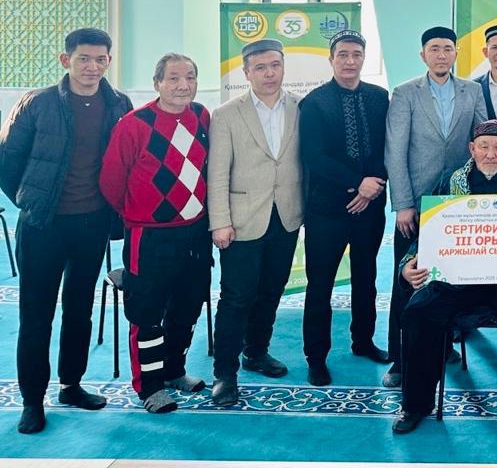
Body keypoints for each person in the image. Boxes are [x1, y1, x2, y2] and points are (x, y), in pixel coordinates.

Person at [0, 28, 133, 434]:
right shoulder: (37, 103)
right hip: (43, 225)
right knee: (36, 315)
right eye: (83, 59)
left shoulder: (119, 104)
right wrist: (31, 201)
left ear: (109, 61)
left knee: (79, 309)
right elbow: (8, 161)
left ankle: (71, 385)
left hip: (92, 224)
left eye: (100, 59)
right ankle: (32, 402)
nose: (92, 67)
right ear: (66, 61)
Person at [393, 120, 497, 440]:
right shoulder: (450, 181)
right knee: (419, 311)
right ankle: (416, 404)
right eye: (484, 146)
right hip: (456, 278)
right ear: (472, 149)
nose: (491, 154)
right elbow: (428, 234)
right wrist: (409, 264)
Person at [99, 53, 211, 414]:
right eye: (173, 78)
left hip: (195, 233)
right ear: (157, 83)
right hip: (149, 237)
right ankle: (149, 386)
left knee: (187, 306)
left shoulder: (202, 116)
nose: (183, 85)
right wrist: (139, 214)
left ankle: (174, 370)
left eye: (190, 77)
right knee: (146, 312)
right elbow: (111, 181)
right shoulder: (134, 124)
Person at [383, 25, 487, 387]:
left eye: (447, 48)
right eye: (434, 49)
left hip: (457, 202)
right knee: (407, 279)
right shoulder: (405, 93)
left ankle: (442, 346)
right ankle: (400, 360)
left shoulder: (472, 90)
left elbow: (483, 140)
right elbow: (395, 151)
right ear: (423, 55)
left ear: (456, 53)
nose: (441, 55)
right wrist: (403, 204)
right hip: (416, 202)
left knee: (448, 276)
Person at [207, 38, 303, 406]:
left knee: (271, 291)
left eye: (275, 65)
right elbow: (217, 173)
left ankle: (256, 352)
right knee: (236, 297)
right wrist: (220, 221)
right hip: (242, 219)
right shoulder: (227, 114)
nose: (269, 73)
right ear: (247, 73)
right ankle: (224, 373)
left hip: (286, 216)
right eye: (260, 67)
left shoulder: (300, 107)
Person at [299, 29, 390, 386]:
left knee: (366, 278)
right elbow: (313, 156)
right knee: (320, 284)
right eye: (343, 55)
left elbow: (388, 147)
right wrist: (356, 183)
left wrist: (372, 185)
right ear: (331, 59)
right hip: (327, 210)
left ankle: (363, 341)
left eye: (356, 55)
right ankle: (316, 357)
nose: (350, 61)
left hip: (371, 206)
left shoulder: (379, 97)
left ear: (364, 58)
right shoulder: (314, 102)